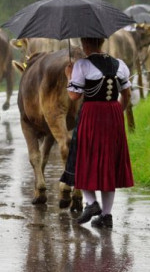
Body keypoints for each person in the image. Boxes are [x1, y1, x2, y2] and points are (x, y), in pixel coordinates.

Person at [62, 37, 134, 228]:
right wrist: (118, 111)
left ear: (85, 44)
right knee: (108, 162)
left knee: (85, 157)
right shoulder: (120, 65)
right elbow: (127, 94)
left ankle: (92, 203)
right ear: (102, 42)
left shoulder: (82, 65)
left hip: (92, 114)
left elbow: (74, 95)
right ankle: (107, 216)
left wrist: (69, 76)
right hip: (114, 114)